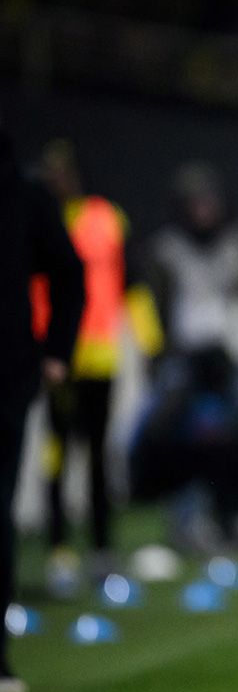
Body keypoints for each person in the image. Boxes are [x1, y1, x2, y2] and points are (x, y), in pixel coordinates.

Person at [130, 162, 238, 554]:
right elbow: (149, 304)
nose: (203, 209)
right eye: (195, 201)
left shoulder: (237, 244)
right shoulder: (166, 249)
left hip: (230, 356)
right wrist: (157, 351)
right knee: (177, 436)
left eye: (209, 200)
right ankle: (186, 522)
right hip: (182, 355)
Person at [0, 123, 85, 692]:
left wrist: (56, 350)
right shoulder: (22, 193)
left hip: (5, 374)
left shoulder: (20, 194)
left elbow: (68, 273)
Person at [33, 139, 132, 595]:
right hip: (56, 355)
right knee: (55, 453)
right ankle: (58, 549)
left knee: (95, 454)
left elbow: (129, 280)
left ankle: (100, 549)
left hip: (99, 353)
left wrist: (147, 341)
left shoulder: (107, 218)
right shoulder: (37, 219)